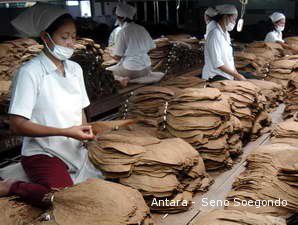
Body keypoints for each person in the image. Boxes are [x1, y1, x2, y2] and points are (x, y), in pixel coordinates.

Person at [0, 3, 101, 208]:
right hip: (43, 151)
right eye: (65, 37)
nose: (71, 43)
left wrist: (84, 133)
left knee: (106, 181)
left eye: (73, 36)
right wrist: (65, 131)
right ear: (46, 38)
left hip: (73, 147)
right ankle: (12, 186)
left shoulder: (75, 69)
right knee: (64, 199)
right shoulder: (30, 73)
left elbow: (80, 108)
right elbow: (17, 125)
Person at [106, 3, 164, 87]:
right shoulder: (141, 28)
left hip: (132, 70)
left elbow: (117, 57)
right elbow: (152, 47)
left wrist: (110, 54)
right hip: (147, 68)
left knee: (107, 71)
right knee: (121, 67)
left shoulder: (123, 32)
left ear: (120, 18)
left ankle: (121, 79)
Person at [202, 4, 246, 81]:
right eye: (233, 19)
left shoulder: (226, 34)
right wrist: (237, 75)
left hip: (227, 75)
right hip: (214, 76)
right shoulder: (214, 34)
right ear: (225, 17)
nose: (234, 23)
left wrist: (236, 74)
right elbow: (218, 63)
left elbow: (229, 59)